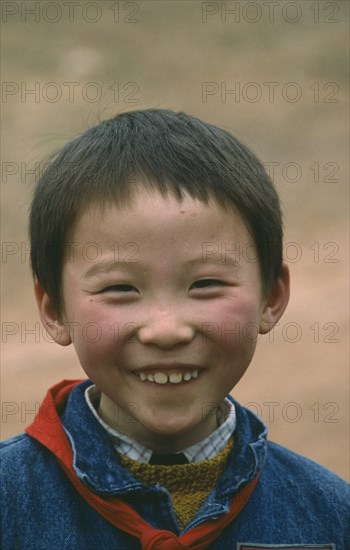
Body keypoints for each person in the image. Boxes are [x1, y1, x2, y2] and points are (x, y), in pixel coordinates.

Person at [1, 109, 348, 550]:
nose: (166, 330)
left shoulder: (330, 517)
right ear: (54, 311)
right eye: (120, 288)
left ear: (272, 297)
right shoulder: (10, 504)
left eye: (205, 284)